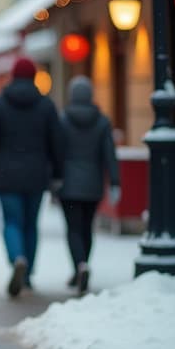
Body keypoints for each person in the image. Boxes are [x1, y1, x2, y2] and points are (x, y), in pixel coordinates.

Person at [0, 57, 64, 298]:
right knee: (30, 224)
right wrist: (57, 172)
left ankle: (17, 258)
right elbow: (57, 142)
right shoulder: (46, 105)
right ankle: (27, 275)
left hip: (6, 173)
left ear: (14, 76)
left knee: (12, 222)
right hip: (37, 174)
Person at [56, 76, 120, 295]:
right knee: (86, 227)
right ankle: (82, 265)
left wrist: (54, 178)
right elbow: (109, 154)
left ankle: (79, 265)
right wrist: (115, 181)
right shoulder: (102, 122)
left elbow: (57, 152)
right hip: (93, 184)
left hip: (69, 184)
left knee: (73, 228)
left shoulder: (63, 120)